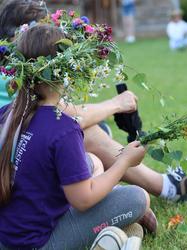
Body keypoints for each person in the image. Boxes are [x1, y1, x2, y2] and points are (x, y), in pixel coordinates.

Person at [0, 0, 187, 207]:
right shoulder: (13, 76)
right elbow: (64, 118)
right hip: (18, 184)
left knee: (96, 130)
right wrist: (116, 105)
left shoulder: (14, 74)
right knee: (85, 135)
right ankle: (170, 187)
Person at [0, 24, 150, 250]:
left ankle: (117, 238)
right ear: (68, 70)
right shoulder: (62, 128)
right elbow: (83, 200)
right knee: (138, 198)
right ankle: (111, 241)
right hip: (35, 244)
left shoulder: (9, 113)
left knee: (92, 168)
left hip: (7, 236)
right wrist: (124, 162)